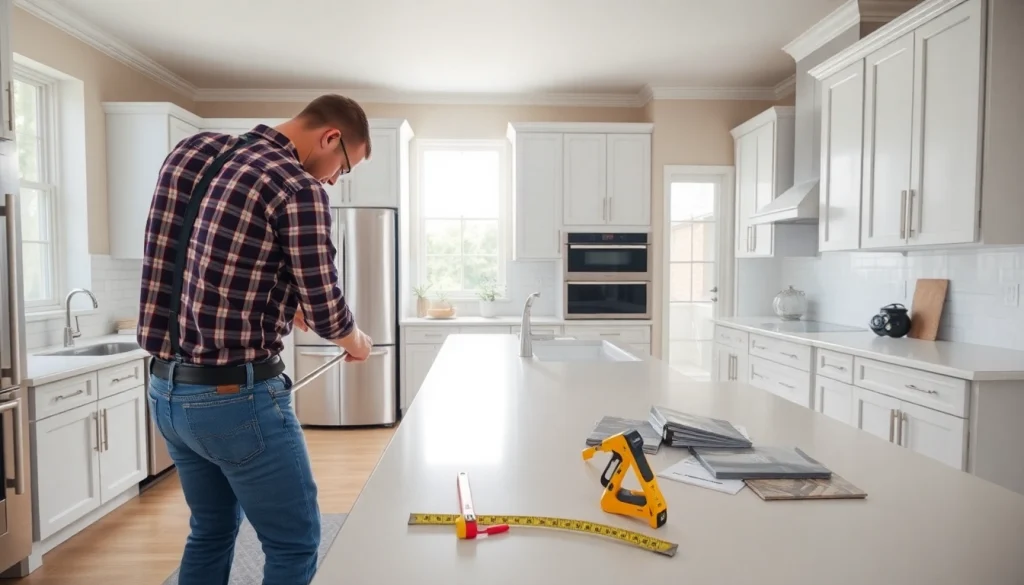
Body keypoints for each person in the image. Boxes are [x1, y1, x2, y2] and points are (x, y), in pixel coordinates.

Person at [137, 94, 374, 585]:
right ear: (330, 138)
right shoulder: (297, 186)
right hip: (235, 400)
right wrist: (355, 340)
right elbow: (328, 307)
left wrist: (287, 303)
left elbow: (207, 264)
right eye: (342, 167)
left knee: (211, 529)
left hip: (166, 394)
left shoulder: (192, 151)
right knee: (295, 542)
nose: (332, 179)